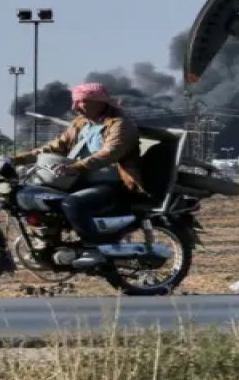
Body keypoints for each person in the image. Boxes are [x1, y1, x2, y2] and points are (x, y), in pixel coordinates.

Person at [11, 82, 146, 268]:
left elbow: (109, 153)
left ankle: (94, 248)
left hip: (113, 184)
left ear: (100, 102)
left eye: (82, 102)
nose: (76, 107)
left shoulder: (120, 125)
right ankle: (47, 244)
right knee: (38, 196)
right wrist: (19, 159)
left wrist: (76, 166)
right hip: (79, 179)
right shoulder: (81, 123)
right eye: (75, 102)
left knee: (72, 203)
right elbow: (55, 146)